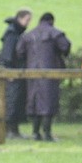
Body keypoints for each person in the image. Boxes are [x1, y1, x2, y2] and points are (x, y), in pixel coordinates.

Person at [16, 12, 70, 141]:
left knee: (34, 101)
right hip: (50, 72)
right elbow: (66, 46)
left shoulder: (28, 35)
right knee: (48, 101)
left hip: (32, 73)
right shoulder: (55, 33)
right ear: (51, 21)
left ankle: (35, 132)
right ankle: (47, 133)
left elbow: (19, 52)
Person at [0, 9, 32, 139]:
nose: (28, 23)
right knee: (13, 100)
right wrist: (9, 70)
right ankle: (11, 130)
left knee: (15, 100)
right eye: (27, 20)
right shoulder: (12, 34)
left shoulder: (14, 32)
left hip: (15, 71)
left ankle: (14, 129)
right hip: (13, 73)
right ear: (20, 18)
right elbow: (7, 54)